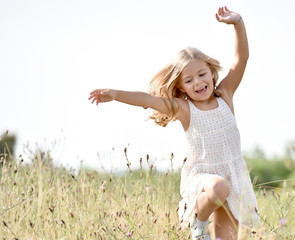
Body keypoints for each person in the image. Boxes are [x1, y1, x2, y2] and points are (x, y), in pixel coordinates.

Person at [89, 6, 259, 240]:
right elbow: (147, 100)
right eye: (188, 80)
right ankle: (198, 228)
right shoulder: (184, 109)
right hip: (204, 177)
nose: (198, 83)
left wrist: (237, 22)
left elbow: (241, 59)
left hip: (233, 175)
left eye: (201, 74)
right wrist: (116, 94)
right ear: (180, 87)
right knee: (219, 187)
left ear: (211, 72)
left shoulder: (225, 96)